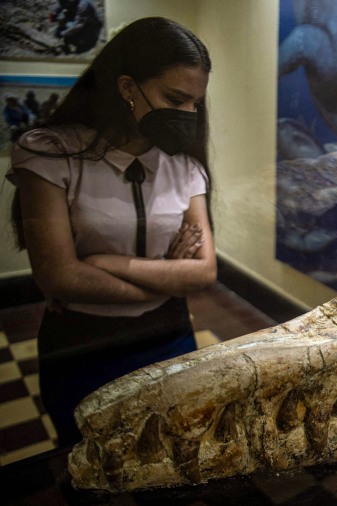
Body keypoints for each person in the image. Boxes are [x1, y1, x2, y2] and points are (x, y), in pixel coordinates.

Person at [6, 17, 216, 446]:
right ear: (126, 88)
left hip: (169, 335)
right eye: (175, 98)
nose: (188, 115)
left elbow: (204, 272)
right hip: (84, 346)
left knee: (175, 452)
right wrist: (164, 280)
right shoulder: (50, 153)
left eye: (195, 103)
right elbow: (59, 277)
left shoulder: (185, 165)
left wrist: (107, 264)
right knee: (90, 461)